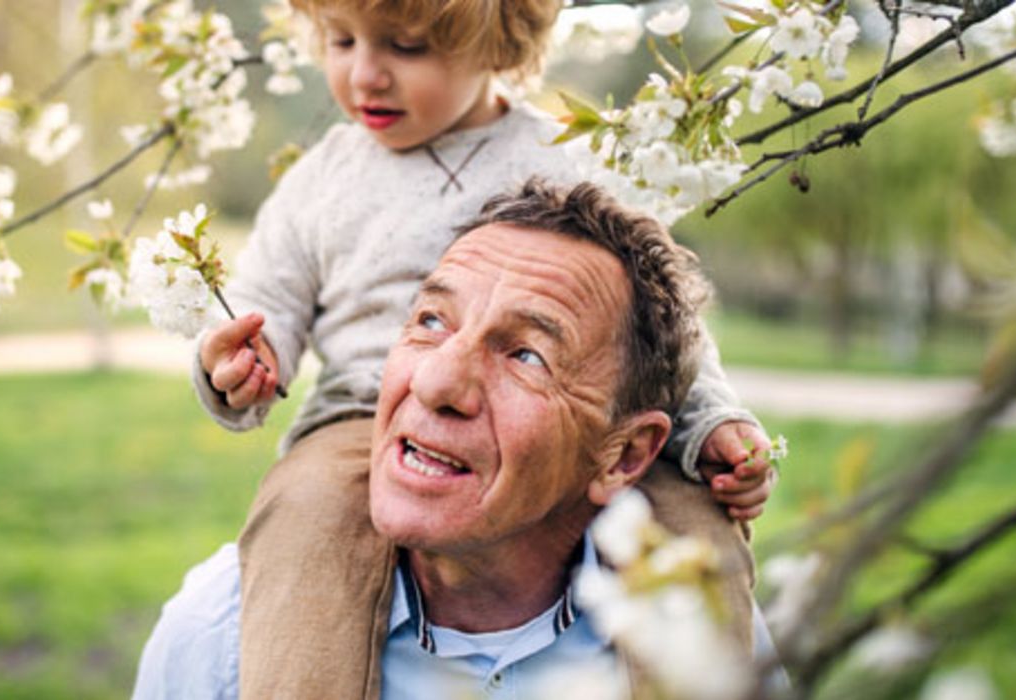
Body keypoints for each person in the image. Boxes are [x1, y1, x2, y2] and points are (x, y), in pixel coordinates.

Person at [191, 1, 777, 695]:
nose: (364, 75)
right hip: (361, 419)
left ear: (498, 44)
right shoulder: (322, 179)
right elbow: (269, 301)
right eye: (342, 42)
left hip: (562, 420)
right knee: (306, 522)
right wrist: (243, 361)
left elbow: (658, 321)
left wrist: (708, 418)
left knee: (694, 525)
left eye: (406, 48)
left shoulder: (568, 155)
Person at [139, 179, 778, 698]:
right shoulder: (223, 635)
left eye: (527, 356)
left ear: (627, 455)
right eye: (430, 320)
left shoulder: (706, 641)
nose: (436, 381)